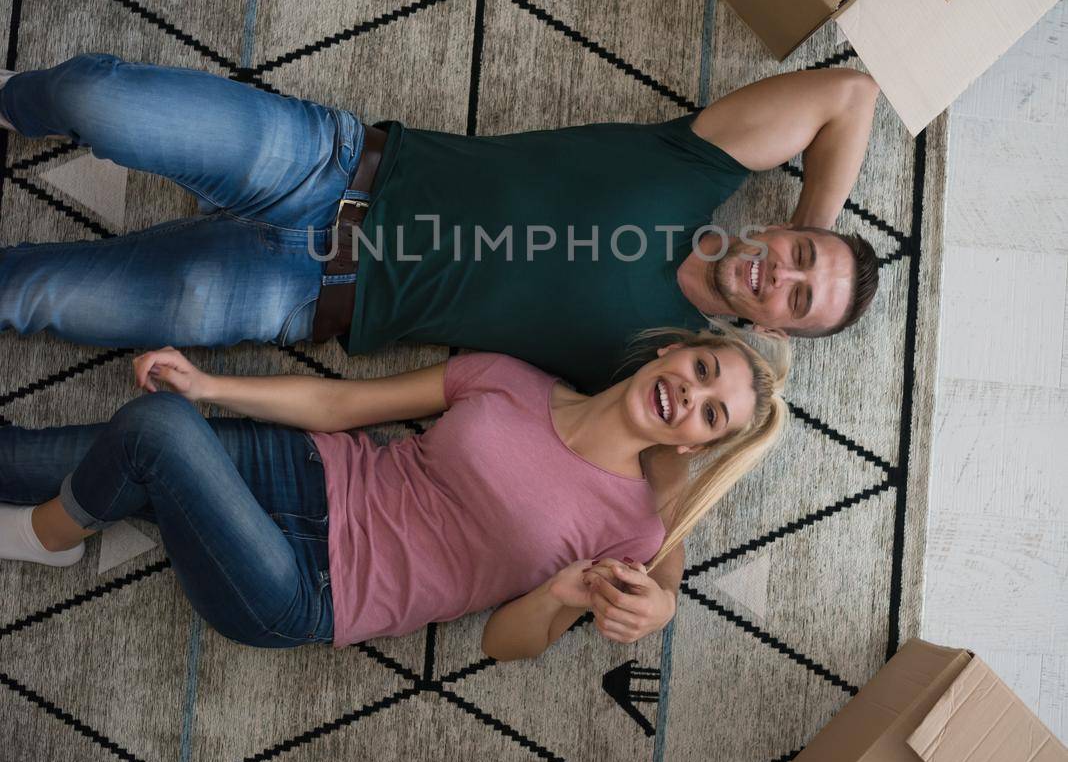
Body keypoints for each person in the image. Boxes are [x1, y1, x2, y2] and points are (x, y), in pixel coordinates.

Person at [0, 55, 880, 392]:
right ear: (778, 231)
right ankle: (14, 103)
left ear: (774, 331)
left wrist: (654, 589)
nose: (782, 275)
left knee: (39, 296)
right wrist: (819, 221)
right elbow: (850, 95)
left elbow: (656, 497)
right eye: (801, 257)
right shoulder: (697, 167)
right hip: (333, 165)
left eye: (797, 300)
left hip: (299, 297)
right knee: (97, 101)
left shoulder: (665, 361)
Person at [0, 325, 788, 659]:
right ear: (678, 349)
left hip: (311, 590)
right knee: (32, 456)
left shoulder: (637, 532)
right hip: (310, 470)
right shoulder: (510, 379)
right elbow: (348, 404)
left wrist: (562, 593)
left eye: (711, 413)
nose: (689, 395)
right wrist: (211, 384)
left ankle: (46, 538)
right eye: (702, 370)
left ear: (694, 443)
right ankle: (52, 520)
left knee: (154, 432)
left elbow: (502, 644)